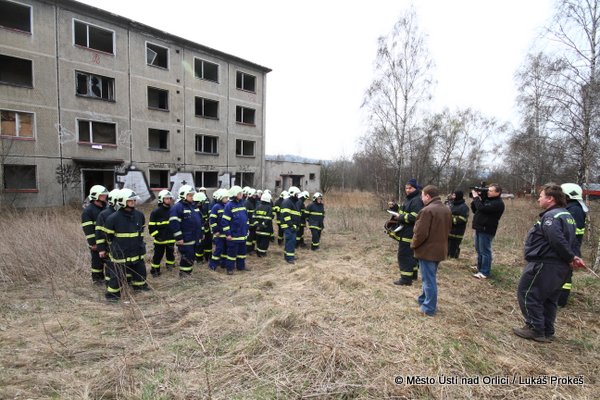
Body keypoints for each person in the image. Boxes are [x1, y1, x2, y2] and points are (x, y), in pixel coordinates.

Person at [513, 183, 585, 342]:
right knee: (549, 299)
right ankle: (547, 330)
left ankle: (535, 328)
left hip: (545, 264)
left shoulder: (551, 216)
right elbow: (573, 241)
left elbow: (556, 239)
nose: (538, 199)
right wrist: (574, 256)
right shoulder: (568, 216)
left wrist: (570, 257)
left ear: (550, 199)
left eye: (541, 196)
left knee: (528, 293)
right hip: (560, 266)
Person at [102, 188, 149, 301]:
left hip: (136, 251)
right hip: (120, 253)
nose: (133, 202)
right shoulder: (113, 218)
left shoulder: (139, 215)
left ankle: (140, 288)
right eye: (130, 200)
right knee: (117, 276)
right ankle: (113, 296)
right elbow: (108, 237)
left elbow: (140, 233)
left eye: (134, 200)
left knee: (140, 272)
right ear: (122, 201)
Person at [411, 185, 452, 316]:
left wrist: (413, 244)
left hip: (428, 251)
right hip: (440, 250)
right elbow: (449, 229)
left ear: (428, 196)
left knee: (428, 280)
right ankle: (423, 299)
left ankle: (428, 308)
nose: (421, 198)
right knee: (429, 277)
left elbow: (420, 233)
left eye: (422, 195)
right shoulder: (446, 209)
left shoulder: (427, 211)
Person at [558, 183, 588, 307]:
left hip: (569, 247)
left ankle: (560, 301)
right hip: (568, 246)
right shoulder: (571, 208)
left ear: (568, 195)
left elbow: (573, 232)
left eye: (561, 194)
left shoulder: (575, 210)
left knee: (565, 276)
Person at [393, 178, 424, 286]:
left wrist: (400, 217)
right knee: (411, 255)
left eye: (410, 188)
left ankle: (405, 279)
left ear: (415, 188)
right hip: (405, 231)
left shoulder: (416, 200)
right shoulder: (409, 199)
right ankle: (413, 275)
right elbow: (404, 211)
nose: (407, 190)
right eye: (406, 188)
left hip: (409, 233)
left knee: (403, 255)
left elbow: (415, 217)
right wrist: (395, 208)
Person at [471, 183, 505, 279]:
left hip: (487, 229)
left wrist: (476, 198)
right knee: (479, 249)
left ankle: (485, 272)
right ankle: (479, 267)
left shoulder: (498, 203)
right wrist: (477, 198)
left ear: (497, 192)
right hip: (479, 227)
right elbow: (476, 209)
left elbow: (482, 208)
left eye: (490, 191)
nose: (488, 192)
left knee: (485, 251)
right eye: (488, 190)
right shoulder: (487, 200)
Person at [169, 185, 203, 278]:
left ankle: (188, 273)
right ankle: (184, 275)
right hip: (185, 239)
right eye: (190, 195)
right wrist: (179, 238)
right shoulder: (177, 207)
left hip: (194, 238)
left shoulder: (193, 206)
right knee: (187, 257)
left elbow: (199, 220)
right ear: (183, 195)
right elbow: (174, 223)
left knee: (191, 256)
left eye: (192, 195)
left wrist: (201, 233)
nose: (192, 197)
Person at [81, 184, 109, 284]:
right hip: (96, 242)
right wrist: (93, 243)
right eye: (102, 195)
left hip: (107, 240)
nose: (104, 196)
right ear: (95, 196)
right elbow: (88, 229)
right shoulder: (88, 211)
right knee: (97, 261)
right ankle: (97, 279)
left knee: (108, 261)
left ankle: (108, 278)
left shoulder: (107, 208)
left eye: (105, 194)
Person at [221, 185, 250, 274]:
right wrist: (228, 234)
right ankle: (230, 269)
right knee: (232, 254)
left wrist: (247, 229)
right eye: (239, 193)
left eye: (241, 193)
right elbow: (225, 221)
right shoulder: (229, 206)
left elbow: (246, 218)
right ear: (234, 194)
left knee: (242, 253)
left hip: (242, 235)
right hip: (234, 236)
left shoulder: (242, 204)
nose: (241, 194)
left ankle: (241, 267)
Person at [95, 188, 121, 285]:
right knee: (110, 266)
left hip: (121, 246)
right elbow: (99, 233)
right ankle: (109, 284)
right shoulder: (104, 214)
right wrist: (101, 249)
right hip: (108, 246)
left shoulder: (123, 213)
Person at [148, 189, 176, 277]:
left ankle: (170, 267)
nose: (169, 200)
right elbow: (151, 227)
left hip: (171, 239)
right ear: (161, 199)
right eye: (166, 198)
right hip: (160, 240)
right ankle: (155, 271)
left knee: (170, 254)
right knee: (157, 256)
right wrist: (157, 236)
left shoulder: (173, 210)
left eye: (170, 198)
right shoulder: (156, 212)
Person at [280, 186, 302, 264]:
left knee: (290, 241)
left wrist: (296, 224)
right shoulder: (287, 202)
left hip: (291, 226)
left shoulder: (294, 202)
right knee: (291, 241)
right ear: (293, 194)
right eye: (297, 194)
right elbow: (286, 215)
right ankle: (289, 258)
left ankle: (288, 256)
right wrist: (291, 225)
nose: (298, 196)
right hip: (288, 226)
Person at [208, 189, 228, 270]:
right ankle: (212, 265)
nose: (227, 199)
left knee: (225, 249)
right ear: (220, 198)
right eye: (225, 198)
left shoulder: (227, 206)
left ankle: (224, 264)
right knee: (219, 249)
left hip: (226, 233)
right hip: (219, 233)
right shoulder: (216, 207)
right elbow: (212, 220)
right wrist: (216, 231)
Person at [448, 190, 469, 258]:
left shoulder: (464, 207)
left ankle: (454, 258)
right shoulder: (451, 204)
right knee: (448, 246)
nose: (453, 196)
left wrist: (450, 220)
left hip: (458, 231)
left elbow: (462, 219)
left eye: (454, 195)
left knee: (454, 246)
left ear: (458, 196)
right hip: (449, 230)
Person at [253, 192, 274, 257]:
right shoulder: (269, 208)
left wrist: (257, 225)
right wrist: (262, 224)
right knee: (265, 242)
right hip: (266, 229)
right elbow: (269, 218)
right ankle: (262, 253)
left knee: (258, 240)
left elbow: (254, 216)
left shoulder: (258, 207)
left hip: (258, 228)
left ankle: (258, 251)